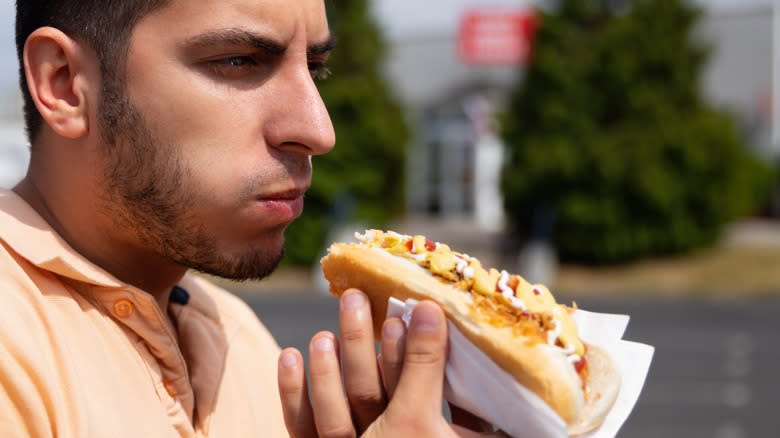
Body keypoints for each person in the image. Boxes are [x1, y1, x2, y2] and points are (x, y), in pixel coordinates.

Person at [1, 0, 509, 437]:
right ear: (64, 82)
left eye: (316, 67)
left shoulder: (238, 336)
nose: (319, 130)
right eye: (239, 61)